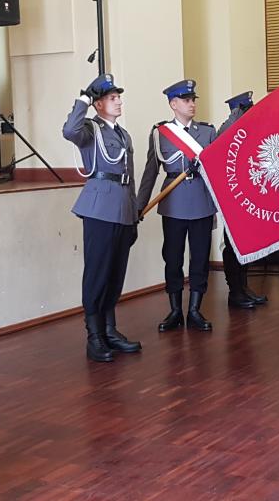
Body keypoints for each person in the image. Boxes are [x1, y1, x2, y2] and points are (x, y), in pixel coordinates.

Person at [62, 74, 142, 362]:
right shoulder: (89, 130)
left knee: (115, 273)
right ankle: (94, 335)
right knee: (97, 272)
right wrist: (83, 98)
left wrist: (133, 215)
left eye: (119, 97)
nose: (118, 101)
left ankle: (110, 330)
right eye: (112, 97)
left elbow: (129, 178)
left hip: (122, 209)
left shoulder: (123, 134)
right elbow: (69, 130)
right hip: (99, 209)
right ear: (98, 104)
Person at [137, 79, 218, 331]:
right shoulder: (160, 133)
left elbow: (217, 171)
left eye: (193, 99)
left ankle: (194, 309)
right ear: (173, 104)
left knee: (200, 257)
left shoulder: (207, 132)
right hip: (172, 203)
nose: (192, 104)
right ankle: (175, 310)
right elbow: (151, 172)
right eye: (186, 100)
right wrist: (139, 206)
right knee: (172, 257)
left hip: (201, 201)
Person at [218, 91, 268, 310]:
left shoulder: (248, 131)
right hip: (232, 198)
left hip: (246, 196)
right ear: (238, 110)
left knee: (244, 243)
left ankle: (243, 287)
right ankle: (234, 291)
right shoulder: (227, 128)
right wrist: (235, 117)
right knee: (232, 245)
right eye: (247, 110)